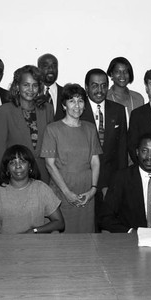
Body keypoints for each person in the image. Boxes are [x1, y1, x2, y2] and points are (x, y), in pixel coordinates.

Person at [41, 84, 102, 233]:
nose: (77, 105)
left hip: (86, 190)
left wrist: (93, 190)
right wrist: (67, 193)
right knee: (63, 237)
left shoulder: (90, 128)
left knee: (86, 234)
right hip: (62, 189)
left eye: (80, 101)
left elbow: (95, 161)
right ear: (63, 105)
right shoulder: (52, 129)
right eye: (71, 101)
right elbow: (49, 164)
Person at [81, 68, 128, 230]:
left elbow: (122, 149)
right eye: (94, 85)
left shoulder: (118, 110)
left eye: (103, 85)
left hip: (110, 180)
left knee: (109, 225)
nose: (99, 90)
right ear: (86, 87)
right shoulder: (77, 110)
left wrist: (120, 181)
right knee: (88, 226)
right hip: (84, 180)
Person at [0, 145, 64, 234]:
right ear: (7, 169)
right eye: (12, 163)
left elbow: (59, 223)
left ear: (30, 166)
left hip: (34, 243)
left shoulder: (42, 189)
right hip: (5, 244)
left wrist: (34, 231)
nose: (18, 166)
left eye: (22, 161)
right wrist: (1, 241)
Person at [0, 65, 53, 184]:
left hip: (43, 176)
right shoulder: (4, 112)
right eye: (26, 85)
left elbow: (52, 147)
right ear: (17, 86)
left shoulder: (47, 109)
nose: (31, 89)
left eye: (35, 85)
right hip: (15, 177)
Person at [37, 53, 65, 121]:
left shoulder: (65, 93)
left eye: (54, 66)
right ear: (39, 69)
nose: (51, 69)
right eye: (46, 66)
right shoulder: (31, 93)